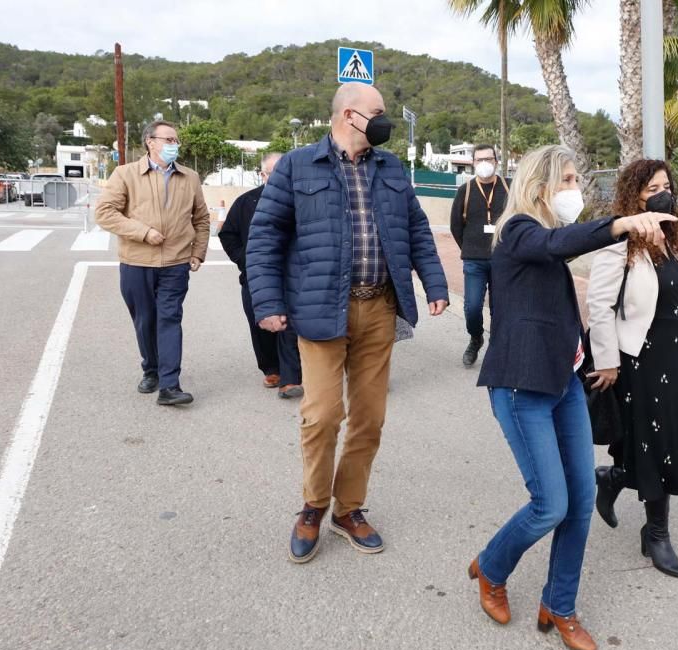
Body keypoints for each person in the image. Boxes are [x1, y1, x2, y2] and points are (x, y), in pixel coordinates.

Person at [471, 145, 675, 650]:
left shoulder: (544, 242)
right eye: (565, 179)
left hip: (562, 386)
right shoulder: (519, 230)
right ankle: (492, 568)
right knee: (550, 505)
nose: (572, 189)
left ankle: (559, 606)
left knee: (581, 503)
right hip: (521, 389)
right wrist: (624, 222)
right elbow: (560, 242)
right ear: (540, 186)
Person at [247, 82, 449, 564]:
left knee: (369, 417)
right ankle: (314, 505)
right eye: (378, 113)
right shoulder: (298, 166)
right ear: (349, 115)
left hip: (378, 307)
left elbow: (417, 228)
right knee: (321, 416)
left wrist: (436, 284)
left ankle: (348, 507)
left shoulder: (392, 168)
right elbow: (265, 237)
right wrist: (268, 301)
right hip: (319, 309)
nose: (385, 122)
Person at [586, 159, 678, 579]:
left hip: (677, 358)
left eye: (666, 185)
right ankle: (656, 534)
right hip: (641, 358)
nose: (662, 192)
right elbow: (599, 305)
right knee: (659, 444)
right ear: (634, 195)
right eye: (651, 187)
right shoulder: (619, 242)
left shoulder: (673, 242)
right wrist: (606, 360)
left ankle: (615, 477)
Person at [95, 120, 210, 406]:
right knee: (145, 321)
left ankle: (170, 385)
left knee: (170, 318)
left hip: (176, 263)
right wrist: (143, 232)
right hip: (137, 262)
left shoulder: (190, 177)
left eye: (176, 140)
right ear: (150, 142)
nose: (175, 145)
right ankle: (151, 368)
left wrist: (198, 251)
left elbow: (202, 218)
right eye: (169, 139)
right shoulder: (125, 174)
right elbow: (105, 213)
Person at [218, 152, 303, 399]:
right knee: (262, 325)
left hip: (294, 275)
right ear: (263, 174)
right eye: (274, 172)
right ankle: (271, 368)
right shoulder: (246, 202)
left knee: (291, 326)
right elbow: (228, 235)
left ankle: (291, 377)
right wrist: (245, 259)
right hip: (257, 276)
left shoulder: (301, 200)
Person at [450, 144, 509, 367]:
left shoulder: (509, 187)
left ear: (496, 161)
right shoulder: (464, 191)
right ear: (473, 163)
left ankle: (497, 348)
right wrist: (469, 248)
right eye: (479, 159)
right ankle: (476, 338)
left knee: (500, 307)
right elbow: (456, 226)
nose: (484, 163)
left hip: (504, 259)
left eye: (489, 159)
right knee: (472, 307)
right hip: (474, 259)